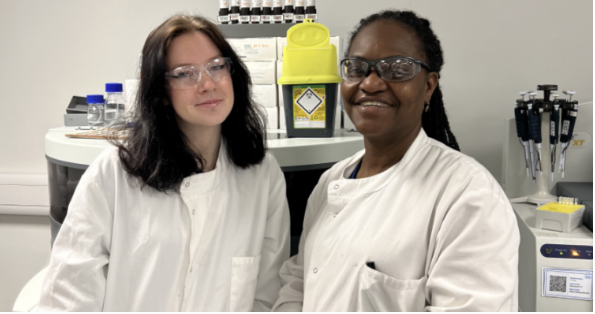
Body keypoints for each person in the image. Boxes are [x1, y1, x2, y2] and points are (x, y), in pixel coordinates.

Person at [39, 15, 290, 311]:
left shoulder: (263, 175)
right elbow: (70, 295)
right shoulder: (113, 174)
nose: (208, 83)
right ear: (161, 94)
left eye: (217, 66)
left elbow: (266, 294)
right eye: (185, 73)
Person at [273, 10, 519, 312]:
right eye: (357, 68)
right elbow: (299, 283)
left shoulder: (468, 194)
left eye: (396, 69)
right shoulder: (332, 180)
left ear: (428, 86)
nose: (371, 83)